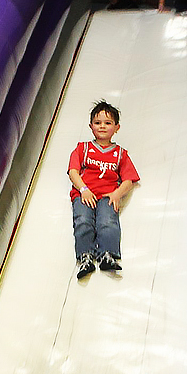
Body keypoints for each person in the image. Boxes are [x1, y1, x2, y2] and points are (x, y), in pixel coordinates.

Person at [68, 101, 140, 280]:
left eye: (108, 123)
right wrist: (83, 189)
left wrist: (117, 194)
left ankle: (108, 254)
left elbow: (129, 179)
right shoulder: (82, 149)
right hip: (85, 194)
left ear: (116, 127)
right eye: (98, 123)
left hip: (107, 195)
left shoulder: (120, 154)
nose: (102, 126)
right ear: (91, 126)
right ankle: (85, 256)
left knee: (107, 222)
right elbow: (73, 171)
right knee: (83, 221)